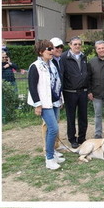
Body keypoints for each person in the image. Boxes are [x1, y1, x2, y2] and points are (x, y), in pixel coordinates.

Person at [27, 40, 65, 170]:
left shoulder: (52, 64)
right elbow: (32, 87)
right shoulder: (35, 66)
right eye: (49, 49)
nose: (51, 51)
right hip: (44, 103)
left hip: (54, 101)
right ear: (40, 52)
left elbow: (57, 82)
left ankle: (53, 153)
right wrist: (37, 105)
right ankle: (49, 158)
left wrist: (60, 99)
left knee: (52, 129)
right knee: (53, 128)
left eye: (52, 48)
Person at [60, 36, 89, 148]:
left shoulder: (84, 57)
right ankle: (72, 139)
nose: (77, 46)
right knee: (71, 117)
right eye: (75, 44)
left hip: (83, 92)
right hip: (69, 92)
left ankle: (82, 138)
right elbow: (62, 74)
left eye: (79, 44)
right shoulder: (64, 57)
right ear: (70, 45)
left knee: (83, 116)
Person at [88, 40, 104, 139]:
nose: (101, 50)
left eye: (103, 48)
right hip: (96, 93)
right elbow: (88, 78)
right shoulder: (92, 62)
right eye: (99, 48)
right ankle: (98, 134)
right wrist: (89, 91)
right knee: (97, 115)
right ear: (96, 50)